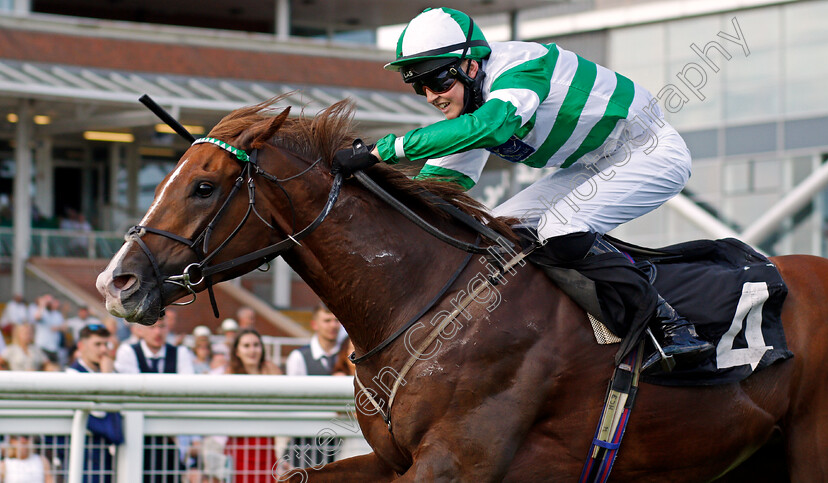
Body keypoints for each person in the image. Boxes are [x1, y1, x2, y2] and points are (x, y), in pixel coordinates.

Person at [332, 7, 714, 372]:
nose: (432, 96)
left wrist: (382, 151)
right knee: (499, 230)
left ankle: (670, 327)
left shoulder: (520, 67)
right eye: (420, 87)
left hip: (649, 149)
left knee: (558, 230)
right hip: (593, 164)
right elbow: (440, 188)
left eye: (438, 81)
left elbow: (494, 126)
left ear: (471, 65)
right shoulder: (473, 109)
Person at [114, 320, 193, 482]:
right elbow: (133, 394)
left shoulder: (181, 352)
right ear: (139, 330)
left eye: (162, 327)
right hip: (137, 438)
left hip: (171, 439)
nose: (157, 332)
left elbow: (187, 392)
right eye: (152, 326)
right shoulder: (127, 351)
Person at [284, 305, 342, 468]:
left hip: (343, 437)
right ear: (315, 324)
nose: (333, 325)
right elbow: (296, 401)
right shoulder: (298, 357)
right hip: (308, 440)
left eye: (337, 320)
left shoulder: (350, 355)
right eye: (327, 320)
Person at [66, 323, 124, 483]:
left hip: (105, 461)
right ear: (81, 346)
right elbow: (106, 424)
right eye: (97, 344)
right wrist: (107, 377)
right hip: (81, 461)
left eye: (107, 344)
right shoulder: (72, 376)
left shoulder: (113, 372)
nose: (104, 350)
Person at [224, 329, 281, 483]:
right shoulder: (229, 375)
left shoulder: (272, 371)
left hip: (266, 444)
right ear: (237, 351)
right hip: (239, 445)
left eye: (256, 345)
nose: (252, 350)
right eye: (246, 346)